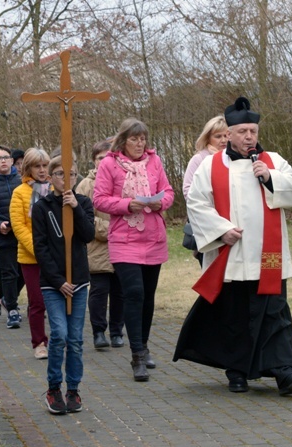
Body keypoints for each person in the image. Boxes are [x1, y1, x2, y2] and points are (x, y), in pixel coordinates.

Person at [173, 97, 292, 396]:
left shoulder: (273, 160)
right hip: (231, 253)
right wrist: (221, 231)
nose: (249, 136)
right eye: (243, 131)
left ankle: (285, 371)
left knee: (274, 311)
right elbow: (196, 203)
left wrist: (270, 177)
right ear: (230, 134)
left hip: (268, 255)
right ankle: (236, 372)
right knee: (234, 316)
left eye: (253, 131)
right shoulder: (210, 166)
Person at [93, 118, 174, 381]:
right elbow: (100, 199)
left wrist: (160, 203)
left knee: (148, 296)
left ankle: (145, 345)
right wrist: (128, 205)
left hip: (153, 237)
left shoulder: (155, 161)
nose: (140, 144)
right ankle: (137, 354)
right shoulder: (109, 163)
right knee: (134, 292)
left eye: (143, 139)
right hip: (124, 239)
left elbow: (168, 191)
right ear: (123, 140)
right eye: (134, 139)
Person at [32, 156, 94, 415]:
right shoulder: (42, 207)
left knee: (76, 339)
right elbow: (41, 248)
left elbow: (88, 234)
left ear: (77, 177)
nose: (65, 179)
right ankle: (54, 387)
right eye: (59, 173)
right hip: (54, 284)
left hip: (79, 282)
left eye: (70, 174)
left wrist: (75, 208)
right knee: (59, 335)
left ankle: (74, 389)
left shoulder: (84, 202)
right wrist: (59, 282)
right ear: (50, 177)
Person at [77, 139, 125, 349]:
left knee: (120, 291)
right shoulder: (85, 185)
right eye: (99, 158)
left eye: (108, 157)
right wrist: (113, 230)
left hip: (123, 246)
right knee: (99, 291)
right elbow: (84, 217)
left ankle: (116, 331)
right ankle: (99, 332)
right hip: (97, 247)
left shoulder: (123, 179)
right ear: (94, 160)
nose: (104, 161)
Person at [10, 148, 51, 359]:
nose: (42, 170)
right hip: (31, 257)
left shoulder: (56, 189)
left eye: (45, 165)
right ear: (28, 168)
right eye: (37, 166)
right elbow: (19, 226)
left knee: (57, 301)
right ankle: (39, 343)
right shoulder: (20, 192)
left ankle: (60, 339)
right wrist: (39, 250)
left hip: (56, 257)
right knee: (37, 302)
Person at [0, 145, 25, 329]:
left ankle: (0, 297)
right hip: (3, 235)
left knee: (23, 273)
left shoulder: (22, 181)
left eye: (6, 157)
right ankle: (13, 310)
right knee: (9, 273)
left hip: (23, 235)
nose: (3, 160)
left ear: (12, 161)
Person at [182, 117, 229, 265]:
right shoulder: (199, 159)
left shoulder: (236, 158)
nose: (223, 140)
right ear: (208, 137)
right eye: (218, 136)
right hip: (208, 223)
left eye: (227, 135)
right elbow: (188, 190)